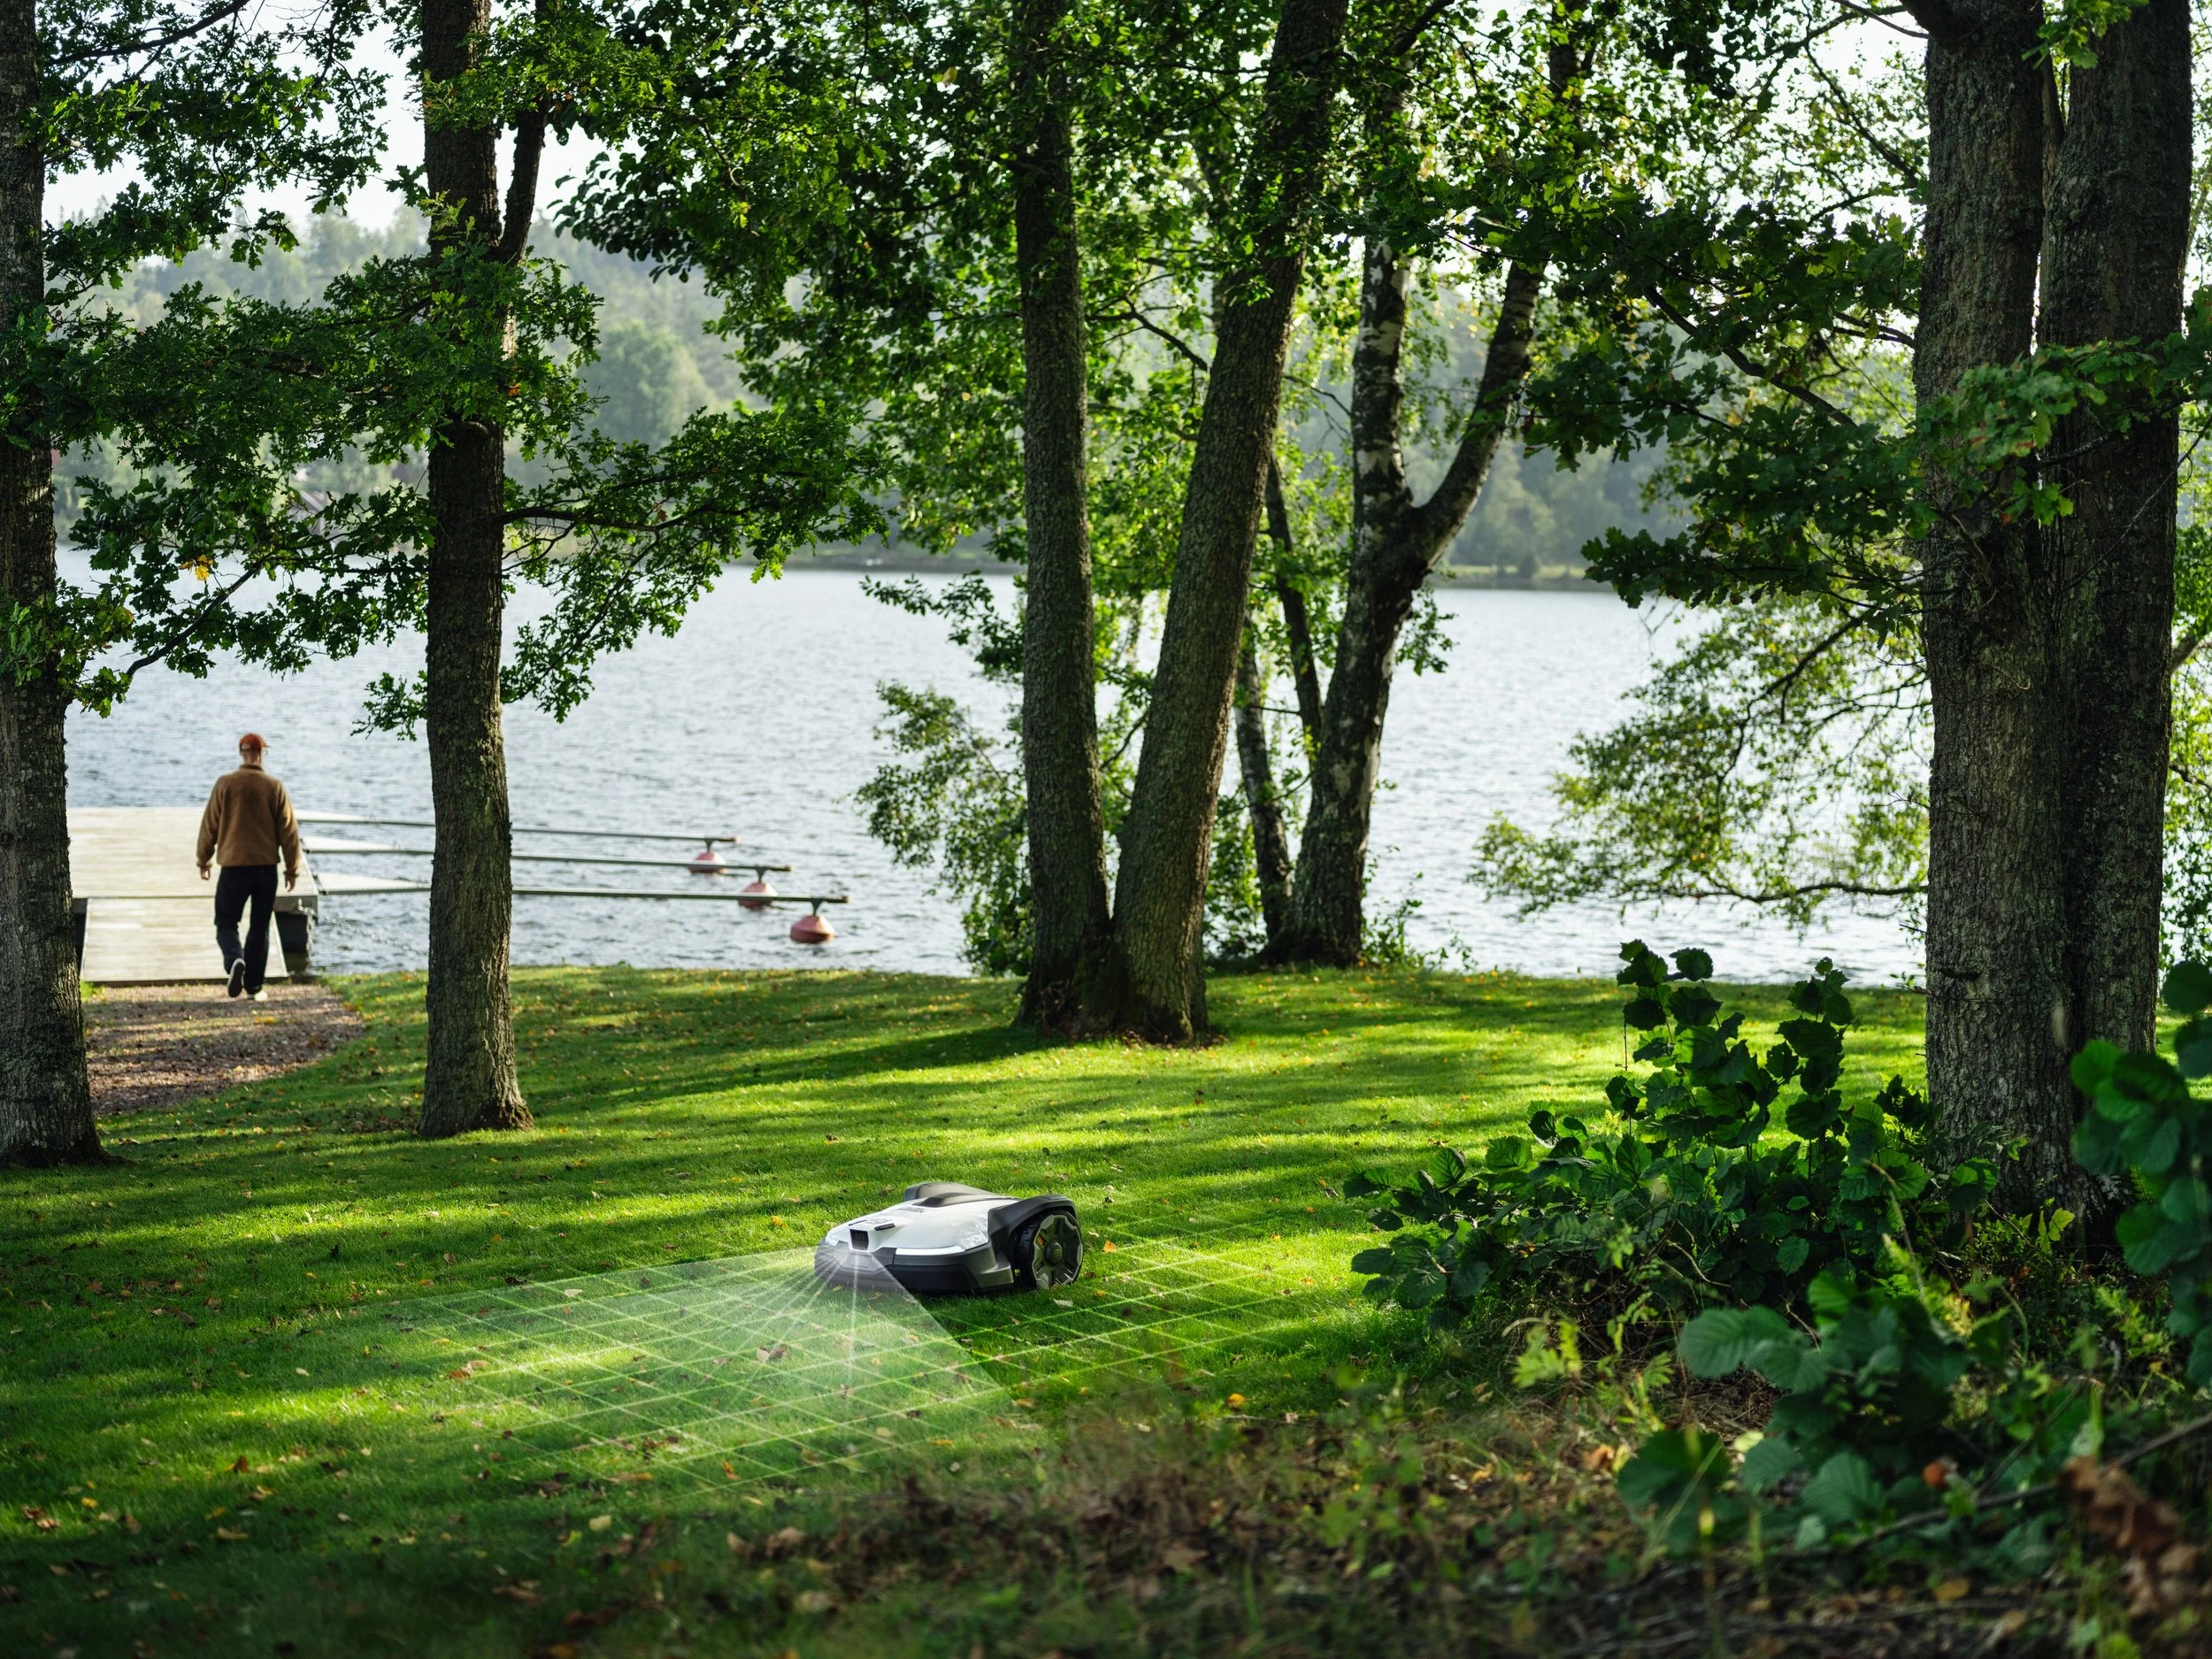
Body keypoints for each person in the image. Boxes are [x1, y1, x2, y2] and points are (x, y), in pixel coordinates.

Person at [196, 733, 302, 1001]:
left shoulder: (225, 784)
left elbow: (210, 824)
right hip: (266, 869)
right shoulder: (274, 786)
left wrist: (204, 859)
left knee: (226, 923)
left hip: (233, 868)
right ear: (262, 753)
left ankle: (234, 960)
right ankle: (254, 988)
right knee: (259, 928)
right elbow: (289, 832)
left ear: (241, 753)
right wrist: (292, 869)